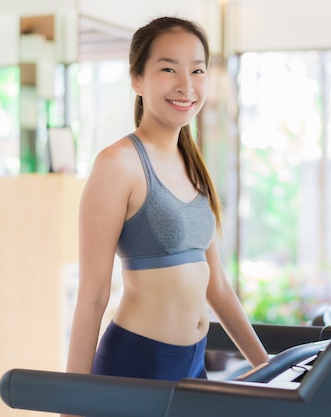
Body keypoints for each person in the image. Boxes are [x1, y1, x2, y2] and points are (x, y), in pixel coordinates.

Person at [64, 15, 269, 396]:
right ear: (137, 79)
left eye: (197, 70)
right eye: (168, 69)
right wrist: (71, 400)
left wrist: (267, 368)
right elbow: (92, 297)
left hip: (195, 364)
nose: (186, 86)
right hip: (138, 364)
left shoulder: (193, 165)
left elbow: (218, 287)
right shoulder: (117, 164)